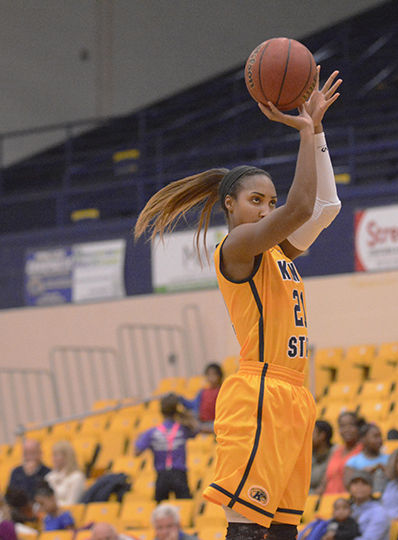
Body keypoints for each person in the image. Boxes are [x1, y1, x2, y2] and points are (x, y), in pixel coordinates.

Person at [134, 67, 342, 540]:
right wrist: (304, 133)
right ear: (230, 205)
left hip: (294, 395)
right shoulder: (238, 248)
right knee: (246, 528)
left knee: (283, 531)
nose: (266, 210)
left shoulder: (277, 250)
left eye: (269, 202)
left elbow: (325, 209)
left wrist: (320, 133)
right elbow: (301, 207)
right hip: (259, 391)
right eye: (256, 200)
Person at [134, 393, 198, 502]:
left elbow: (137, 451)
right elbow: (196, 429)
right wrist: (183, 415)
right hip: (180, 474)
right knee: (185, 506)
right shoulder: (183, 429)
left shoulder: (152, 433)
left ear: (161, 411)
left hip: (162, 475)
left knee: (160, 509)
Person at [323, 411, 364, 494]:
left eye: (351, 425)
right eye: (342, 426)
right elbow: (324, 482)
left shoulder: (363, 450)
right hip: (328, 500)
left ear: (358, 427)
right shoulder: (335, 451)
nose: (346, 430)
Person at [343, 423, 388, 492]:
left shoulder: (389, 459)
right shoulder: (353, 462)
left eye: (380, 436)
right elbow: (348, 485)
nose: (380, 440)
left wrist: (385, 470)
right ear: (363, 439)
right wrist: (363, 473)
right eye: (375, 437)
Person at [180, 362, 224, 433]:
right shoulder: (203, 392)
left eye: (213, 374)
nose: (211, 377)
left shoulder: (222, 391)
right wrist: (180, 399)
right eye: (208, 375)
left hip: (216, 424)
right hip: (202, 422)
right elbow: (193, 405)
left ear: (219, 376)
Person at [347, 470, 390, 540]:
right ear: (349, 488)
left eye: (364, 483)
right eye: (355, 483)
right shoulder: (348, 509)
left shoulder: (379, 512)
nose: (359, 487)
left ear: (371, 488)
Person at [45, 440, 86, 506]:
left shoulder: (77, 477)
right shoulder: (49, 477)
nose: (53, 459)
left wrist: (51, 505)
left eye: (56, 455)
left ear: (67, 456)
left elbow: (72, 503)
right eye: (53, 455)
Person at [310, 420, 334, 494]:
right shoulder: (309, 454)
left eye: (312, 433)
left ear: (322, 435)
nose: (308, 437)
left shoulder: (335, 452)